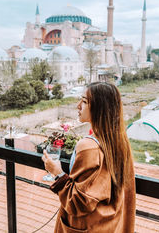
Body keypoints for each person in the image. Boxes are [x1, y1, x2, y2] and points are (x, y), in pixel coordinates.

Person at [42, 82, 136, 232]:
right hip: (109, 226)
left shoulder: (88, 147)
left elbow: (78, 203)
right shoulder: (119, 143)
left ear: (100, 108)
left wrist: (57, 173)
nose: (78, 106)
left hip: (84, 226)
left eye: (84, 101)